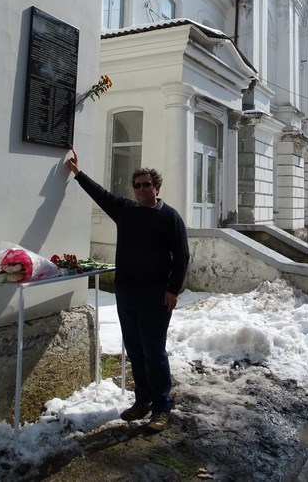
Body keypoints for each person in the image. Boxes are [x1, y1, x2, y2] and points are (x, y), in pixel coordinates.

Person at [66, 149, 190, 432]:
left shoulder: (170, 217)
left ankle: (162, 406)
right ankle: (143, 400)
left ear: (157, 188)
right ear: (133, 190)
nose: (143, 189)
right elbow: (100, 194)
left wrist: (173, 290)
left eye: (148, 184)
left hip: (156, 296)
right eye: (138, 185)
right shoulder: (126, 210)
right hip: (127, 293)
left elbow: (182, 257)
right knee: (134, 350)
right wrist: (77, 173)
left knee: (154, 352)